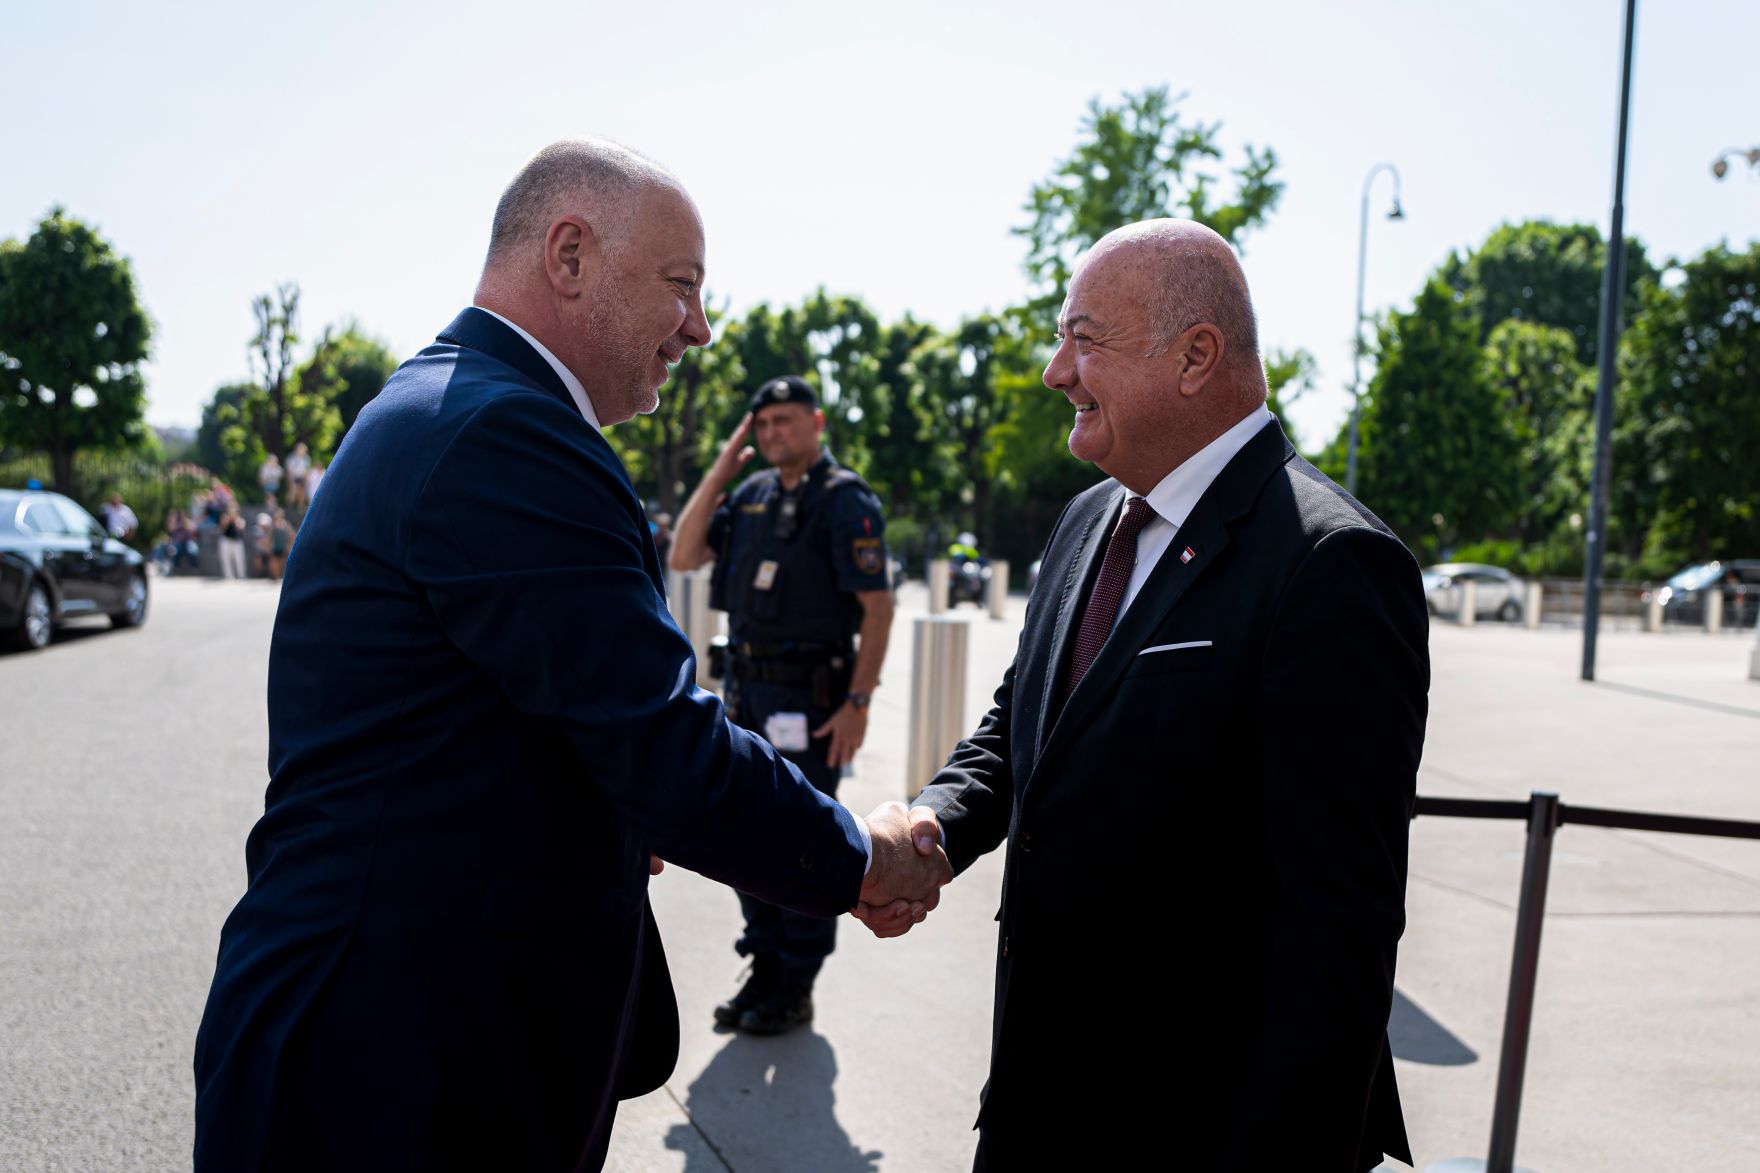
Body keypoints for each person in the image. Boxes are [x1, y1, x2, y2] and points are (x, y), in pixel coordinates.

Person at [191, 137, 948, 1173]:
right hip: (396, 1065)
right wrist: (859, 861)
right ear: (570, 255)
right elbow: (656, 741)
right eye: (679, 286)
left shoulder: (451, 405)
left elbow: (514, 725)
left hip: (397, 1037)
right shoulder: (506, 434)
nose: (698, 327)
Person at [856, 220, 1430, 1171]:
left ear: (1196, 356)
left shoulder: (1331, 564)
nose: (1055, 371)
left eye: (1084, 340)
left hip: (1197, 1132)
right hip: (1038, 1105)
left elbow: (1339, 931)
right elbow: (1025, 723)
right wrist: (931, 826)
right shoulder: (1089, 518)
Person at [669, 375, 895, 1035]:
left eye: (784, 422)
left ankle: (796, 982)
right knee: (742, 839)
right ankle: (764, 964)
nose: (773, 434)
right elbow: (684, 553)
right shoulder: (750, 495)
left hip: (811, 700)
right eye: (762, 425)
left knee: (801, 841)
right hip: (745, 695)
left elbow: (877, 609)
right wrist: (724, 463)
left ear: (816, 422)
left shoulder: (843, 499)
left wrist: (858, 701)